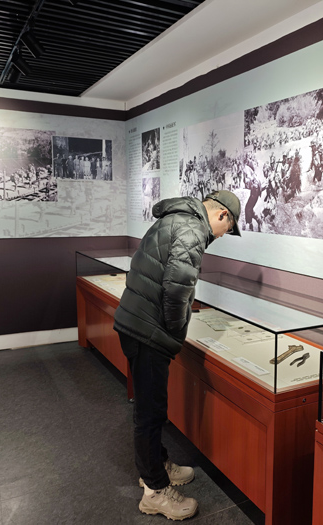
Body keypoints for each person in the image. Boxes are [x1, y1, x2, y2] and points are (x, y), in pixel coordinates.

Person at [113, 190, 241, 521]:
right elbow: (177, 289)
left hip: (137, 322)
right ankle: (154, 491)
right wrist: (174, 329)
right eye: (228, 229)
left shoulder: (176, 218)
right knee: (150, 413)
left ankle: (157, 465)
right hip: (148, 330)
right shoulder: (193, 229)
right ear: (222, 215)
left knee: (151, 408)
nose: (222, 236)